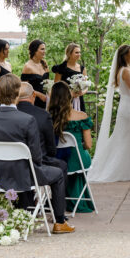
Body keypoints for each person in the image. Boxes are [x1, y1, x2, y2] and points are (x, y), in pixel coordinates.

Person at [0, 74, 75, 234]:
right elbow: (36, 157)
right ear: (17, 94)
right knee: (58, 173)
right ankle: (59, 222)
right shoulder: (27, 120)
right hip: (25, 175)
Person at [88, 44, 130, 182]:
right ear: (125, 56)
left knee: (125, 137)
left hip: (128, 104)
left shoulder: (125, 69)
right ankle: (118, 170)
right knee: (123, 137)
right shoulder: (125, 70)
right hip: (127, 107)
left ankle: (125, 170)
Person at [49, 81, 95, 213]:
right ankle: (76, 199)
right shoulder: (81, 116)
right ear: (69, 97)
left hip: (56, 160)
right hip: (77, 160)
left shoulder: (48, 116)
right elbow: (88, 145)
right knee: (81, 157)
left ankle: (62, 198)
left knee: (72, 160)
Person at [53, 43, 87, 112]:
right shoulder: (61, 68)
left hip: (79, 100)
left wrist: (82, 92)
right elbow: (56, 86)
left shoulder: (82, 68)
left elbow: (86, 85)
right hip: (65, 101)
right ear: (69, 54)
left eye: (80, 52)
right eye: (76, 52)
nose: (79, 54)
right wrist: (69, 93)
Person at [20, 39, 51, 108]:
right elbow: (24, 88)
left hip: (45, 100)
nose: (44, 52)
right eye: (42, 49)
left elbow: (48, 83)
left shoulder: (44, 64)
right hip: (33, 100)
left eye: (44, 49)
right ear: (35, 50)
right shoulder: (28, 67)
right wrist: (39, 95)